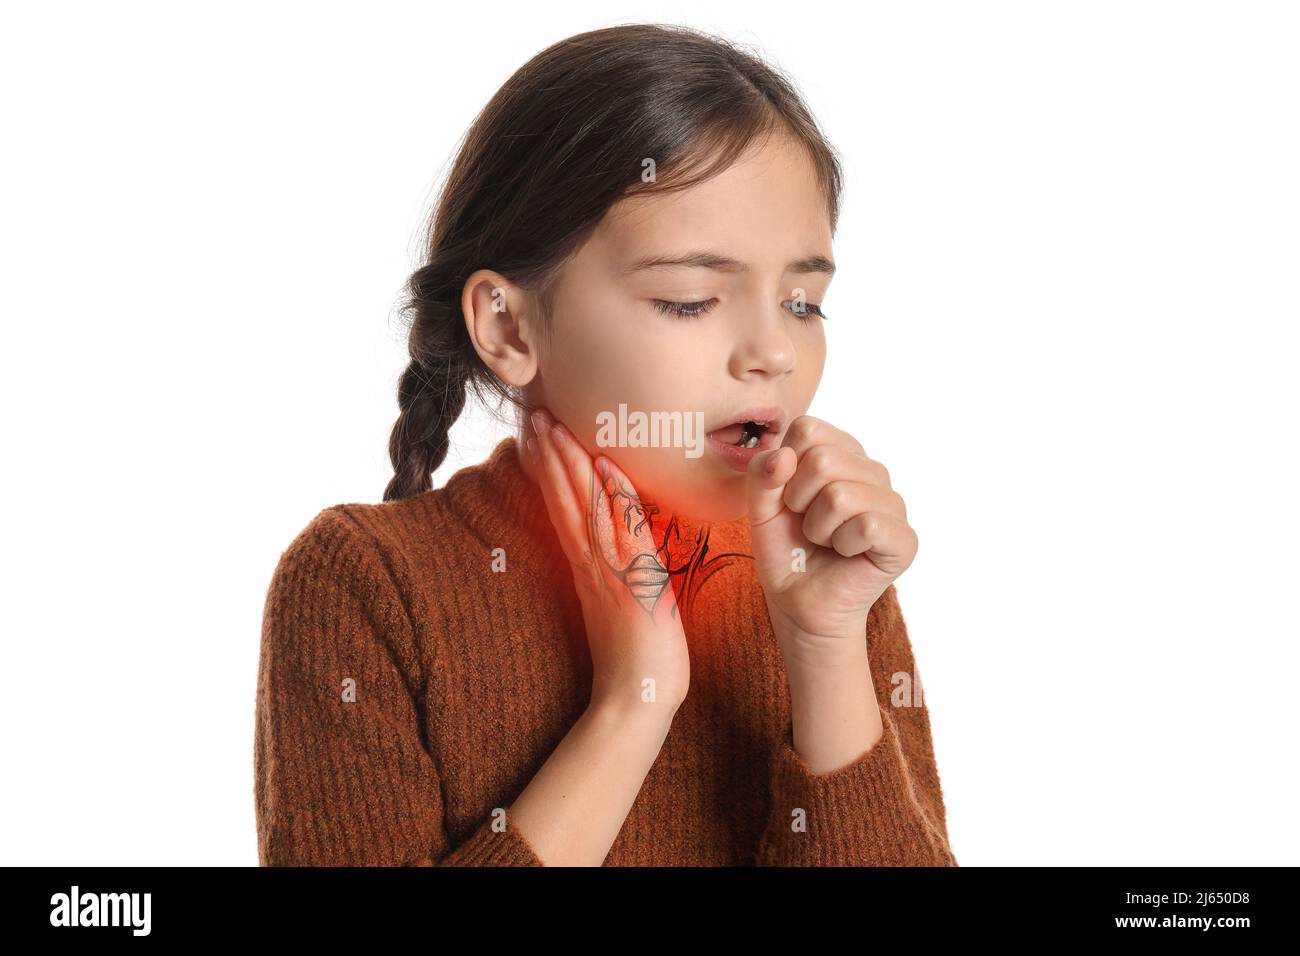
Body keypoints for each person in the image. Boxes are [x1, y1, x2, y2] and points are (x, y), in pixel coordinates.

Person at [255, 22, 957, 867]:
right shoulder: (364, 585)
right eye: (691, 299)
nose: (774, 351)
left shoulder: (825, 569)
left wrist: (824, 648)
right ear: (509, 327)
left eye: (802, 303)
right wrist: (631, 705)